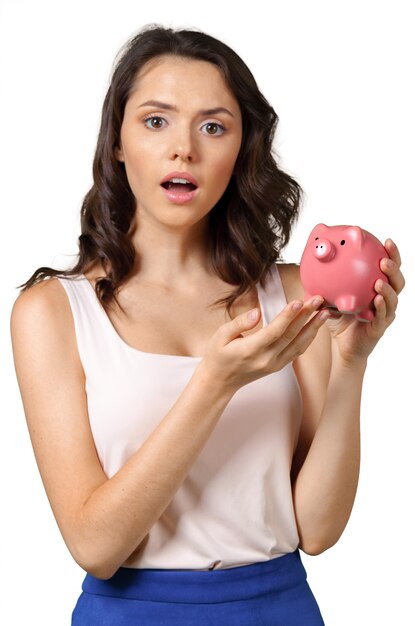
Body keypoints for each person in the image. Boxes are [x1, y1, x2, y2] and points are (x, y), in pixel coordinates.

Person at [10, 24, 405, 626]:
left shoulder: (294, 293)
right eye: (156, 120)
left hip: (280, 609)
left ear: (242, 148)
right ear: (117, 141)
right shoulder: (52, 312)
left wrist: (352, 362)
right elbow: (94, 546)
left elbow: (319, 530)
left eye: (213, 126)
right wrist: (215, 383)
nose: (184, 149)